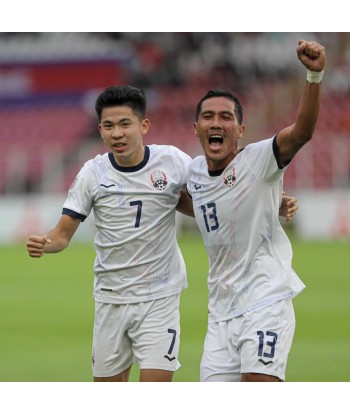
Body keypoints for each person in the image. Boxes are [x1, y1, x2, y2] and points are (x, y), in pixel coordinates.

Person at [26, 85, 298, 382]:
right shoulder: (93, 173)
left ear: (143, 125)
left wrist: (265, 201)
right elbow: (63, 233)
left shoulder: (172, 161)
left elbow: (211, 195)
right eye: (108, 126)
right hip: (110, 299)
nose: (117, 133)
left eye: (125, 124)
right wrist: (46, 242)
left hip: (160, 299)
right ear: (100, 130)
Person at [186, 39, 325, 382]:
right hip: (220, 316)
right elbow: (194, 202)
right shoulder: (192, 173)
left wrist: (314, 75)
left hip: (264, 305)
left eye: (225, 117)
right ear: (196, 128)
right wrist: (269, 202)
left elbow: (302, 133)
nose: (216, 122)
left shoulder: (258, 160)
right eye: (207, 116)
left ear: (240, 130)